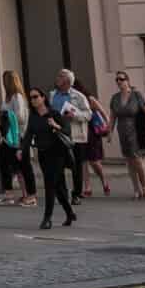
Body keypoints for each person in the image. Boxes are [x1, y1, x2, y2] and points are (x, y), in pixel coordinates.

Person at [21, 86, 78, 228]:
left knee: (49, 184)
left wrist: (56, 125)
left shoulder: (54, 114)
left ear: (43, 98)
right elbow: (28, 135)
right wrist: (22, 150)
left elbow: (66, 130)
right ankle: (69, 213)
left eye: (36, 97)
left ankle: (47, 218)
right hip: (43, 154)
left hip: (57, 154)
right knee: (57, 186)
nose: (33, 100)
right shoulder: (33, 117)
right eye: (31, 98)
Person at [48, 69, 91, 206]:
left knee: (76, 166)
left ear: (67, 81)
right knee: (57, 165)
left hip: (74, 136)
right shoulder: (52, 95)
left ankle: (76, 194)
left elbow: (88, 115)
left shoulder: (78, 96)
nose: (57, 78)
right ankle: (63, 193)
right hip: (57, 134)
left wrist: (75, 116)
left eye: (60, 76)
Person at [108, 72, 145, 200]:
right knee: (129, 161)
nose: (119, 81)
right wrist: (109, 132)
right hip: (122, 132)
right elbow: (112, 117)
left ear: (128, 80)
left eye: (121, 79)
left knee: (137, 159)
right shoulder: (115, 98)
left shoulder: (136, 95)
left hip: (136, 130)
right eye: (117, 80)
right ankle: (136, 189)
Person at [0, 70, 35, 206]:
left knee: (22, 166)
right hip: (7, 137)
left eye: (5, 79)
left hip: (18, 136)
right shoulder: (7, 97)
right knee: (5, 163)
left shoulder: (17, 97)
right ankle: (10, 193)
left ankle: (29, 195)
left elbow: (20, 117)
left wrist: (5, 116)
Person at [79, 91, 114, 199]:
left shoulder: (90, 99)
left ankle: (103, 180)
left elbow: (104, 114)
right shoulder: (71, 100)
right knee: (83, 161)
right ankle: (87, 187)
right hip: (80, 133)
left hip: (93, 134)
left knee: (94, 162)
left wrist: (109, 131)